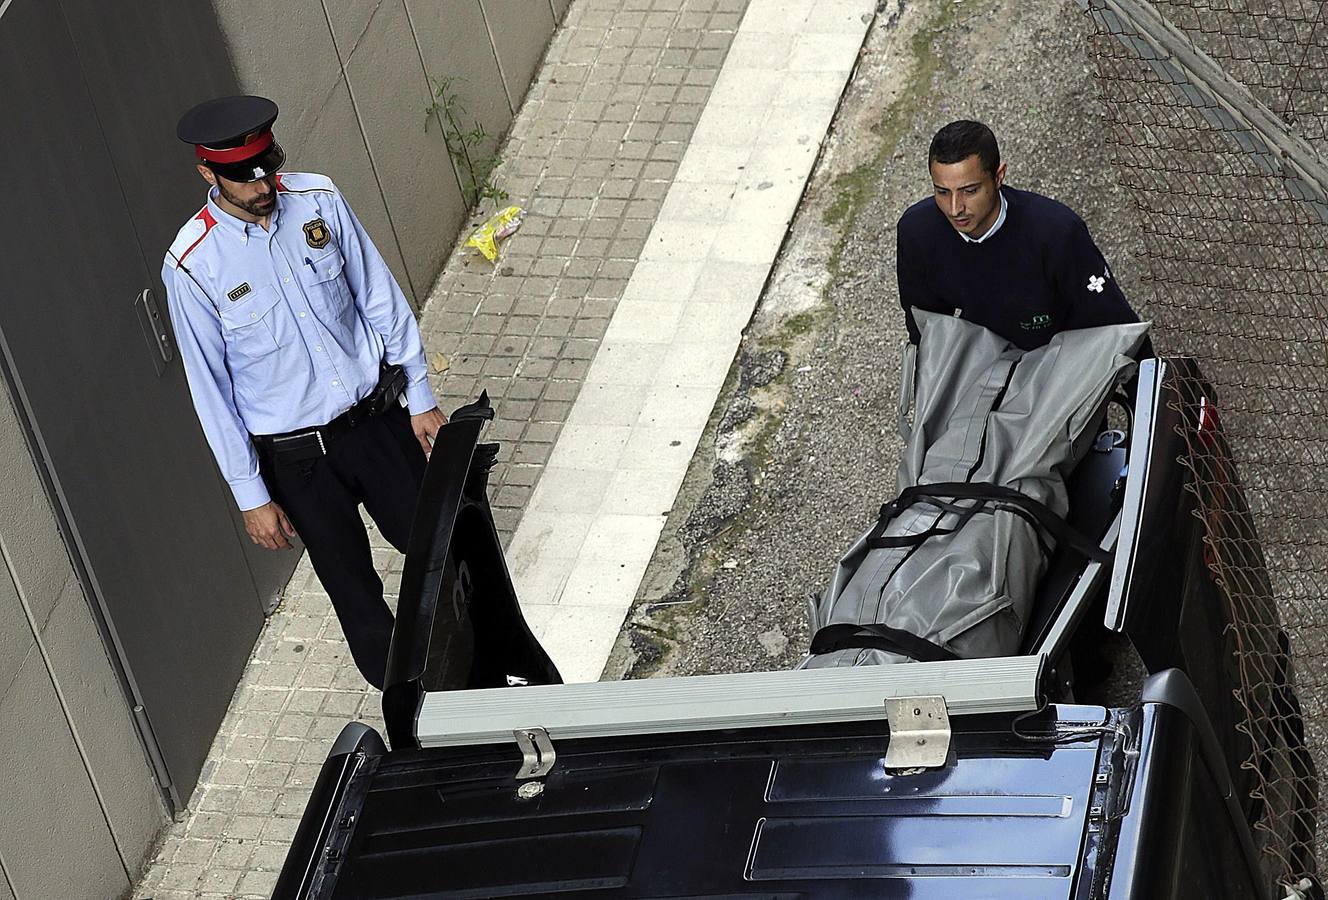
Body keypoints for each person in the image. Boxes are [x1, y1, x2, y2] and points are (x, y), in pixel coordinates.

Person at [163, 95, 446, 690]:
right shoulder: (193, 266)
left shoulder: (317, 199)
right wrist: (251, 495)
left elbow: (378, 294)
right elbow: (211, 392)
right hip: (297, 461)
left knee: (443, 548)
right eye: (245, 174)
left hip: (374, 424)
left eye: (268, 162)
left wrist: (419, 393)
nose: (264, 182)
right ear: (208, 175)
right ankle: (416, 709)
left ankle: (480, 668)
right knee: (356, 597)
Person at [896, 120, 1140, 350]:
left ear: (999, 176)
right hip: (982, 361)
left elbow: (1114, 322)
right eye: (942, 192)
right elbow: (925, 329)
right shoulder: (917, 233)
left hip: (1060, 356)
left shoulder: (1056, 233)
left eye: (970, 191)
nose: (954, 208)